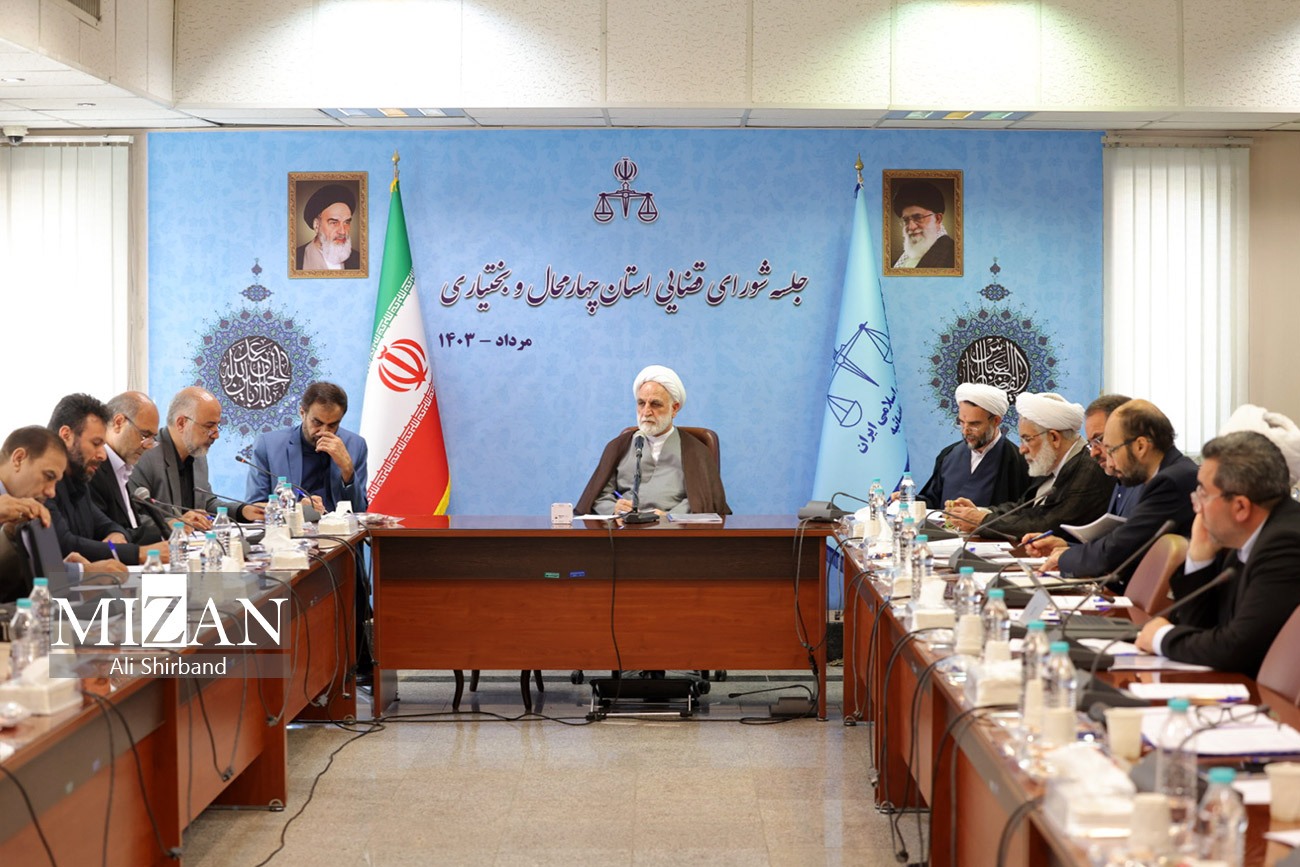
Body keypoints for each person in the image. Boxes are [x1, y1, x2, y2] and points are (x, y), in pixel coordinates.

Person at [1136, 431, 1300, 678]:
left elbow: (1237, 649)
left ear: (1240, 507)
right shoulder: (1243, 535)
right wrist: (1199, 559)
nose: (1196, 505)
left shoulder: (1285, 544)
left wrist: (1161, 637)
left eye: (1203, 493)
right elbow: (1200, 629)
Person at [1023, 399, 1198, 584]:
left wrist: (1065, 558)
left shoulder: (1171, 481)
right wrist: (1067, 547)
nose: (1110, 461)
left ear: (1140, 446)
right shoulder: (1153, 475)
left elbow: (1121, 548)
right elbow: (1120, 544)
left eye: (1112, 450)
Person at [947, 392, 1112, 539]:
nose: (1022, 449)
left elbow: (1046, 525)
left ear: (1054, 438)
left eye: (1027, 439)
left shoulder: (1088, 470)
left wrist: (982, 521)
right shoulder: (1050, 463)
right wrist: (980, 512)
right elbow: (1023, 508)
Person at [576, 365, 730, 516]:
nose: (646, 412)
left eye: (655, 404)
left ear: (674, 408)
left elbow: (702, 500)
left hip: (675, 529)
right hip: (626, 528)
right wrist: (614, 508)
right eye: (641, 403)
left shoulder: (696, 451)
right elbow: (599, 497)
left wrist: (669, 517)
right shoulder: (618, 447)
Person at [47, 394, 168, 566]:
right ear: (66, 435)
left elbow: (109, 526)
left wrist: (116, 536)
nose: (102, 455)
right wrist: (140, 554)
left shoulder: (78, 480)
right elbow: (66, 544)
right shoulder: (42, 485)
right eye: (96, 443)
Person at [131, 386, 265, 527]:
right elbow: (130, 520)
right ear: (181, 423)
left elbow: (206, 503)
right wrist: (173, 524)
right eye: (209, 426)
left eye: (217, 425)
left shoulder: (197, 453)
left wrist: (242, 511)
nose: (216, 435)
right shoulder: (144, 455)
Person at [245, 381, 369, 512]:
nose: (323, 431)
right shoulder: (268, 445)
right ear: (302, 413)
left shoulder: (356, 445)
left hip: (339, 524)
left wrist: (347, 470)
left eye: (332, 425)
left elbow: (359, 510)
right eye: (317, 422)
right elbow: (253, 508)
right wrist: (297, 508)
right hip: (291, 524)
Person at [915, 382, 1031, 509]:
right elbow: (933, 501)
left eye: (974, 424)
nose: (965, 431)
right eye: (961, 422)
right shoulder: (948, 455)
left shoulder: (1019, 462)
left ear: (996, 421)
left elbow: (1023, 513)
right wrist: (911, 502)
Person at [88, 391, 168, 545]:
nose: (148, 446)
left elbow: (130, 527)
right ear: (119, 423)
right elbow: (107, 536)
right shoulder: (94, 470)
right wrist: (162, 531)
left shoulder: (122, 468)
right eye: (144, 435)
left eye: (152, 439)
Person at [0, 426, 66, 602]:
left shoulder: (24, 513)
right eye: (48, 476)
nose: (51, 492)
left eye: (56, 482)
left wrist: (58, 567)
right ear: (18, 459)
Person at [891, 179, 955, 268]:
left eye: (918, 217)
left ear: (937, 219)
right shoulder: (899, 261)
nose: (911, 227)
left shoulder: (953, 255)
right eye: (906, 220)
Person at [296, 184, 360, 271]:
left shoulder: (359, 260)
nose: (343, 231)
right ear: (317, 225)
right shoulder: (295, 259)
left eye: (346, 222)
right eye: (334, 223)